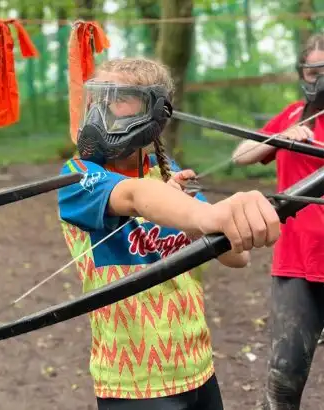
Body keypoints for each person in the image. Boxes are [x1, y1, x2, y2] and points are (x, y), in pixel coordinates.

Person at [57, 57, 282, 409]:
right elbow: (135, 196)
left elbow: (237, 256)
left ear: (153, 112)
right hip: (132, 382)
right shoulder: (78, 175)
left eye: (118, 98)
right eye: (98, 97)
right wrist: (203, 214)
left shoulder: (168, 173)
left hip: (197, 367)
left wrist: (193, 220)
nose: (103, 110)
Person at [231, 33, 324, 410]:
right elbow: (241, 155)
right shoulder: (290, 115)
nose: (319, 77)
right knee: (285, 376)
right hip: (297, 263)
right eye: (312, 69)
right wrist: (281, 138)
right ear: (301, 72)